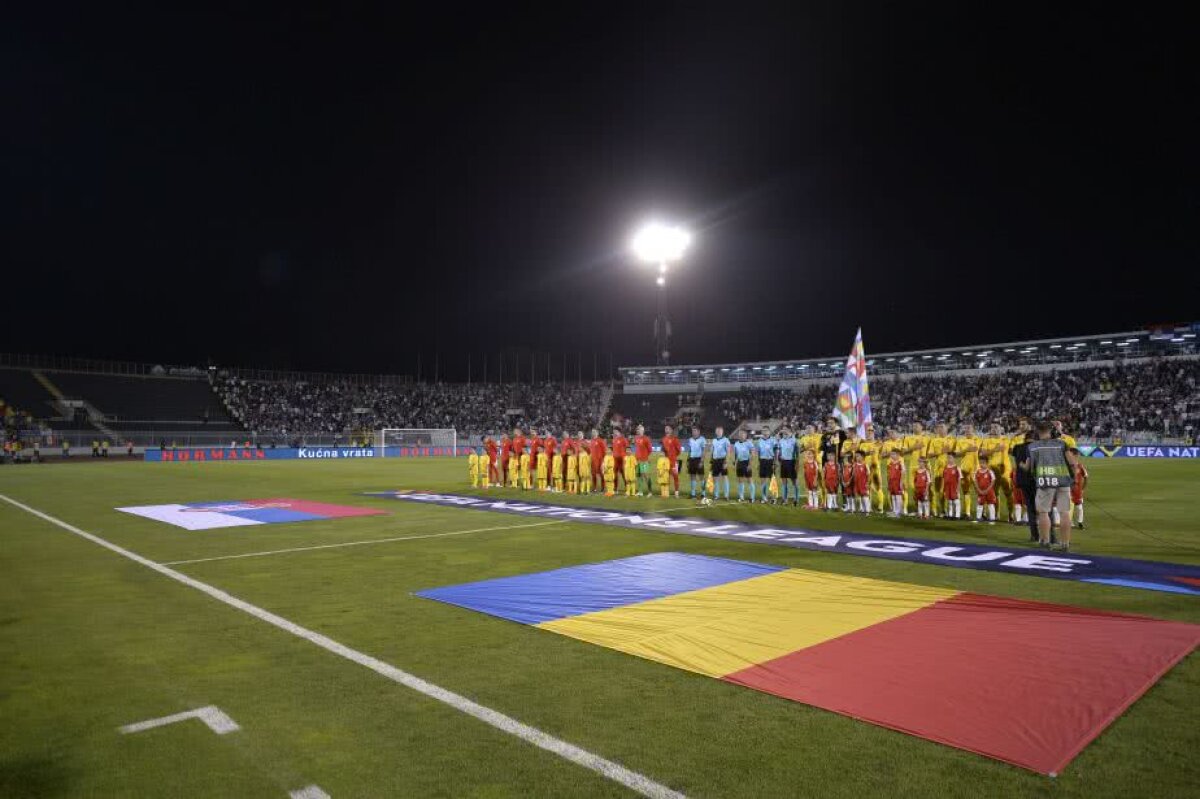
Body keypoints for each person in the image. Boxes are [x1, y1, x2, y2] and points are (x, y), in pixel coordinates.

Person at [1026, 422, 1075, 550]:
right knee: (1064, 512)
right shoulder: (1061, 444)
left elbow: (1029, 467)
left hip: (1045, 481)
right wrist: (1073, 478)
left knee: (1043, 512)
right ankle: (1065, 544)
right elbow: (1072, 462)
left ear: (1037, 431)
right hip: (1063, 480)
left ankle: (1045, 541)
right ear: (1050, 431)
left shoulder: (1032, 447)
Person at [981, 423, 1014, 522]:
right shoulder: (987, 440)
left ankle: (1011, 515)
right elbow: (982, 453)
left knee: (1008, 492)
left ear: (1001, 429)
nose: (994, 429)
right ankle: (996, 514)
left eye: (996, 427)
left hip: (1005, 469)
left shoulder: (1007, 439)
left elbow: (1013, 450)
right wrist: (995, 449)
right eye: (992, 427)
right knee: (994, 493)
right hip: (992, 468)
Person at [953, 423, 981, 519]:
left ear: (973, 430)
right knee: (966, 491)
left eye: (969, 428)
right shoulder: (961, 441)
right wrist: (966, 449)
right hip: (964, 469)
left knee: (979, 491)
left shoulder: (978, 439)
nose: (967, 430)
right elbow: (956, 454)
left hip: (976, 469)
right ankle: (967, 513)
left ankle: (981, 513)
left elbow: (980, 451)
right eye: (966, 429)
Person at [902, 422, 929, 513]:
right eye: (914, 425)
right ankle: (919, 509)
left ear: (922, 427)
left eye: (917, 425)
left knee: (927, 488)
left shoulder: (927, 438)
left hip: (924, 465)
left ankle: (929, 510)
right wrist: (914, 447)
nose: (915, 427)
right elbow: (903, 452)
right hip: (913, 466)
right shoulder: (908, 438)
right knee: (914, 487)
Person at [926, 423, 952, 517]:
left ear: (947, 429)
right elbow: (929, 455)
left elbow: (957, 453)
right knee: (938, 490)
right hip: (938, 469)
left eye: (942, 427)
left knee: (950, 490)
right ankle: (941, 510)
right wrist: (941, 451)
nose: (940, 429)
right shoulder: (934, 441)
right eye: (938, 428)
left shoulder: (952, 439)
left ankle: (951, 511)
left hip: (950, 469)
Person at [778, 427, 799, 506]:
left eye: (786, 430)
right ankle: (785, 499)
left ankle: (796, 499)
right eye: (783, 430)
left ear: (790, 431)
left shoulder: (794, 440)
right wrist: (779, 458)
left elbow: (797, 454)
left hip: (792, 462)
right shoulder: (781, 440)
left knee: (794, 482)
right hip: (783, 462)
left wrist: (797, 464)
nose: (784, 431)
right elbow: (779, 452)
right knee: (784, 482)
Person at [1069, 447, 1089, 529]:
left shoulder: (1080, 466)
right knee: (1068, 507)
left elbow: (1086, 477)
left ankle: (1080, 522)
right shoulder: (1066, 466)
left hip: (1077, 491)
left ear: (1075, 455)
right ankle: (1070, 522)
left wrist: (1083, 489)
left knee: (1079, 507)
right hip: (1068, 490)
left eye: (1070, 454)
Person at [973, 459, 998, 524]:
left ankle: (992, 519)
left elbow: (993, 481)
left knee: (991, 504)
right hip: (980, 491)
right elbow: (975, 481)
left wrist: (987, 490)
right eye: (980, 463)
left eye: (983, 463)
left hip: (989, 492)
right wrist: (978, 490)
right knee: (979, 504)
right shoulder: (977, 472)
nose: (981, 464)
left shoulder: (990, 472)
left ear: (987, 464)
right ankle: (978, 518)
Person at [755, 430, 777, 504]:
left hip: (770, 461)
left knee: (772, 480)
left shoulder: (773, 440)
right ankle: (764, 497)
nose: (765, 433)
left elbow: (776, 452)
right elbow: (758, 452)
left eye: (767, 431)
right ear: (762, 433)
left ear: (769, 432)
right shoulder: (759, 441)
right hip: (762, 461)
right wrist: (759, 462)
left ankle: (773, 497)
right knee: (763, 480)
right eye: (764, 431)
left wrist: (775, 462)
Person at [710, 426, 731, 501]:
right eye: (717, 431)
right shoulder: (714, 440)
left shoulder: (726, 440)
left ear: (722, 432)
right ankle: (716, 495)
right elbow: (712, 451)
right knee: (715, 479)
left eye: (720, 431)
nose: (718, 432)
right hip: (715, 461)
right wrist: (711, 460)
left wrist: (726, 462)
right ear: (716, 432)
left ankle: (726, 495)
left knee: (724, 477)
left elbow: (728, 452)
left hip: (722, 460)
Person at [660, 425, 682, 498]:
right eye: (665, 428)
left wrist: (673, 456)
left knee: (675, 477)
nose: (666, 429)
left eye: (668, 428)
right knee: (666, 477)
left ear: (671, 430)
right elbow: (662, 450)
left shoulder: (675, 439)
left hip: (673, 461)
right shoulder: (663, 439)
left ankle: (676, 492)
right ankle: (666, 492)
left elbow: (679, 451)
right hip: (665, 462)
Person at [686, 426, 706, 499]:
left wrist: (702, 461)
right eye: (692, 431)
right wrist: (688, 460)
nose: (693, 432)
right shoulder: (690, 439)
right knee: (692, 476)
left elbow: (704, 451)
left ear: (698, 431)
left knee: (701, 477)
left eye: (695, 431)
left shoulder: (702, 439)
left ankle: (703, 493)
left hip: (698, 459)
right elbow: (690, 450)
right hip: (692, 459)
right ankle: (693, 494)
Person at [734, 430, 754, 501]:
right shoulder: (736, 444)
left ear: (745, 435)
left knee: (749, 480)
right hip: (740, 463)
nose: (741, 435)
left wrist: (750, 464)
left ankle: (752, 497)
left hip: (747, 463)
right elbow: (736, 455)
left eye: (742, 434)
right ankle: (741, 496)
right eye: (740, 434)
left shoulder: (749, 443)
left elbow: (752, 454)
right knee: (740, 480)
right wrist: (735, 464)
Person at [633, 425, 653, 496]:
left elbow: (650, 450)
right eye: (637, 429)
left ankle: (650, 491)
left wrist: (647, 458)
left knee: (645, 475)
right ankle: (640, 491)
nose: (638, 430)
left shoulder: (646, 439)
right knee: (638, 476)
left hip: (644, 460)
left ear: (643, 430)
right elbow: (637, 448)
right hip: (637, 460)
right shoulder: (636, 438)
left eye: (639, 429)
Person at [942, 453, 963, 519]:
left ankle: (957, 515)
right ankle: (950, 515)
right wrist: (944, 488)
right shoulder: (945, 468)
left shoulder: (957, 468)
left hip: (954, 487)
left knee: (956, 501)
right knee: (950, 501)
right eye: (948, 458)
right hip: (947, 487)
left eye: (950, 458)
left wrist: (958, 488)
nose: (949, 459)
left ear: (954, 459)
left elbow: (960, 478)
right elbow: (944, 478)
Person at [886, 449, 906, 517]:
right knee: (893, 496)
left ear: (898, 455)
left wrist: (901, 482)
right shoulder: (891, 463)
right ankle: (894, 511)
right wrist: (888, 482)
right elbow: (889, 473)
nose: (891, 455)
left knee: (898, 496)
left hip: (897, 482)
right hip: (892, 482)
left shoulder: (900, 463)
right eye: (891, 454)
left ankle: (898, 512)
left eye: (893, 454)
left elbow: (903, 473)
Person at [611, 428, 629, 493]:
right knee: (614, 474)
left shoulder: (623, 439)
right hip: (615, 460)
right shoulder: (613, 440)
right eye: (613, 432)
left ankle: (627, 487)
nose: (614, 433)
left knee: (624, 474)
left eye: (615, 432)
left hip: (622, 460)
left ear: (619, 432)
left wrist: (626, 458)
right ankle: (615, 488)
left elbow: (627, 449)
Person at [589, 429, 606, 494]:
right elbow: (591, 451)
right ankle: (594, 488)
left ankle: (603, 488)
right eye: (592, 432)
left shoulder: (600, 440)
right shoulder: (591, 441)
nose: (593, 433)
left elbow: (604, 451)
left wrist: (603, 461)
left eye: (595, 432)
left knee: (602, 475)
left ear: (597, 433)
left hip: (600, 461)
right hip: (593, 461)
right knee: (593, 475)